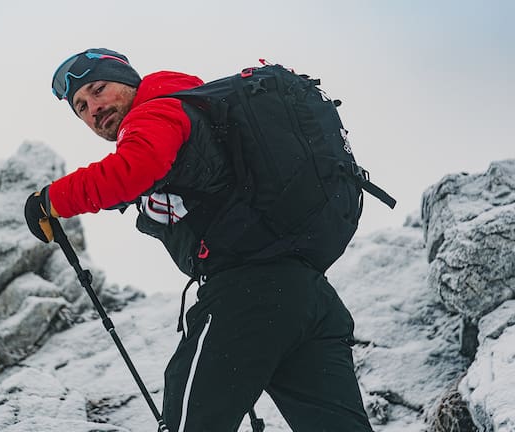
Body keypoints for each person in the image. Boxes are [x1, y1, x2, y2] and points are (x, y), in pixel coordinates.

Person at [24, 48, 374, 432]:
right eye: (81, 107)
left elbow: (133, 169)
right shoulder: (194, 114)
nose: (93, 108)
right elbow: (155, 177)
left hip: (247, 296)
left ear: (128, 84)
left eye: (99, 89)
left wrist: (50, 201)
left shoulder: (156, 111)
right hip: (309, 297)